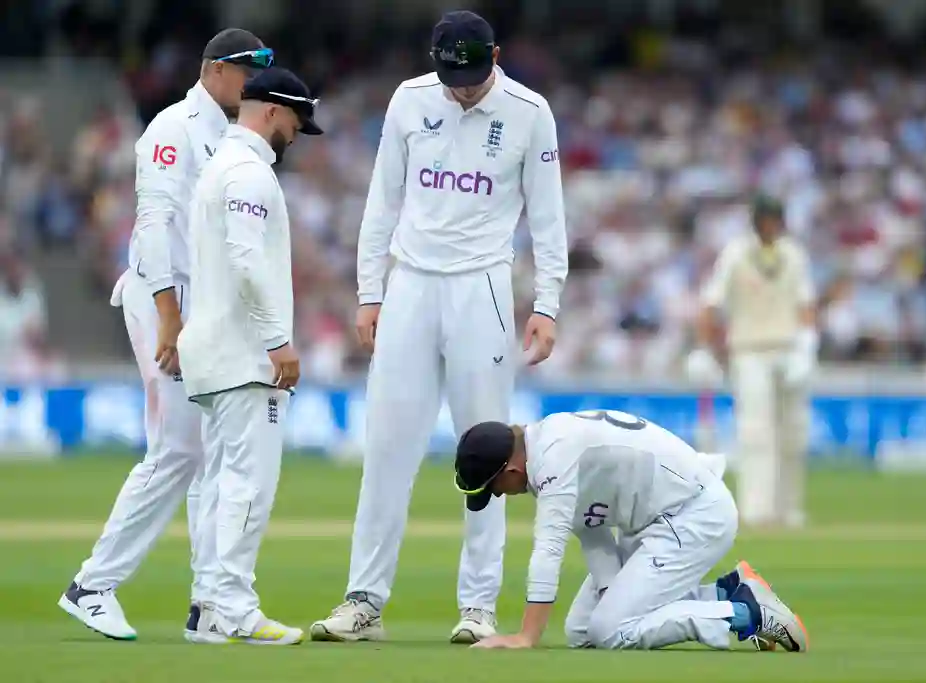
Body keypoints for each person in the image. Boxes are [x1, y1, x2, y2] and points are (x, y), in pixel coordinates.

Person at [309, 10, 568, 645]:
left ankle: (478, 606)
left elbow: (549, 215)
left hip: (483, 284)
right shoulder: (410, 99)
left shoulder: (529, 111)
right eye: (453, 77)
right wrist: (372, 292)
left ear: (497, 56)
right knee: (387, 447)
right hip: (412, 284)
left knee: (487, 449)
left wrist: (548, 303)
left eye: (474, 77)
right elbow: (382, 200)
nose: (463, 90)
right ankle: (363, 601)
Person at [58, 29, 274, 642]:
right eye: (244, 70)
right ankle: (91, 586)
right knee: (180, 447)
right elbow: (152, 228)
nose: (252, 82)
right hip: (163, 299)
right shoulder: (172, 130)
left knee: (209, 453)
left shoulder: (234, 136)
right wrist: (170, 319)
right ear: (212, 70)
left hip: (201, 306)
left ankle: (208, 607)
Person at [452, 411, 809, 652]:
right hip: (655, 522)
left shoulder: (552, 457)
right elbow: (591, 530)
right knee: (583, 631)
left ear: (510, 469)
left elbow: (548, 550)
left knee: (609, 631)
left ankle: (746, 612)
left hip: (694, 514)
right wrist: (613, 593)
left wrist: (525, 637)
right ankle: (723, 593)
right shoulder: (545, 450)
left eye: (494, 487)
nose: (499, 494)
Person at [175, 67, 322, 645]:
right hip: (242, 356)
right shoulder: (247, 174)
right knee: (247, 485)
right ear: (270, 112)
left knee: (218, 483)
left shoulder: (223, 167)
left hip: (215, 351)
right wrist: (276, 341)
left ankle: (209, 604)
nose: (295, 132)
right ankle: (233, 606)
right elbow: (247, 261)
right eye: (294, 120)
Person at [687, 195, 818, 529]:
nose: (771, 226)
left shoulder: (793, 254)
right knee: (756, 432)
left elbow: (806, 304)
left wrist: (806, 347)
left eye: (776, 220)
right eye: (767, 220)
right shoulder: (736, 254)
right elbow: (711, 302)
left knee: (793, 433)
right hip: (749, 352)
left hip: (788, 351)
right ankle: (757, 510)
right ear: (757, 221)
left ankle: (789, 509)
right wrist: (704, 348)